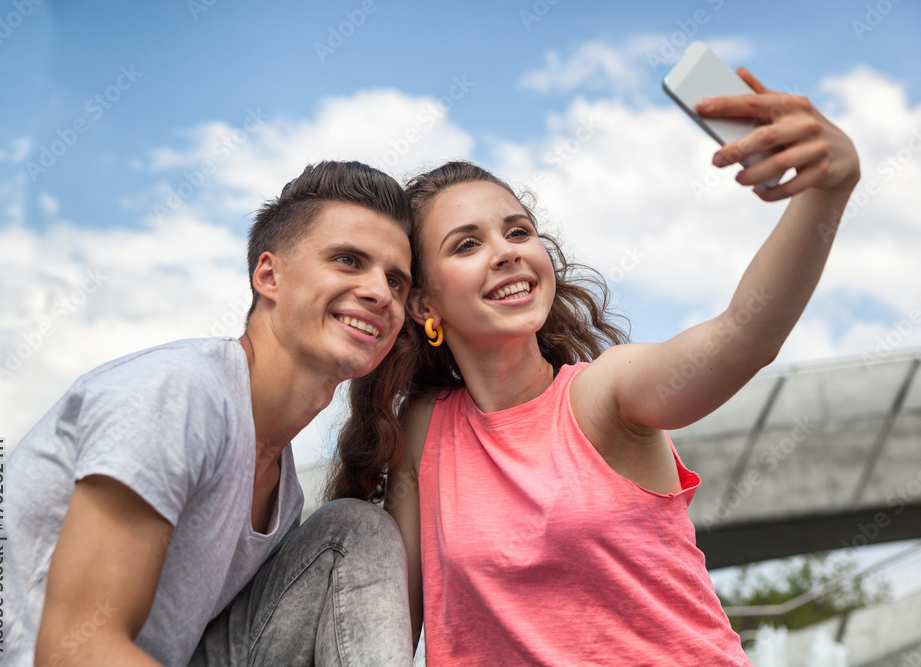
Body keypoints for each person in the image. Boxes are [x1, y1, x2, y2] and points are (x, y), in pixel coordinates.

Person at [327, 69, 861, 664]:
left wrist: (827, 193)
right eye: (467, 244)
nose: (506, 252)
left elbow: (742, 339)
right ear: (423, 304)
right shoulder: (425, 429)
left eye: (517, 231)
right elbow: (392, 629)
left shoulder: (605, 394)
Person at [0, 161, 415, 666]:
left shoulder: (285, 491)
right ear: (269, 275)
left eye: (396, 281)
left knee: (354, 529)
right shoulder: (177, 392)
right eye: (347, 260)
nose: (380, 292)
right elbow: (74, 652)